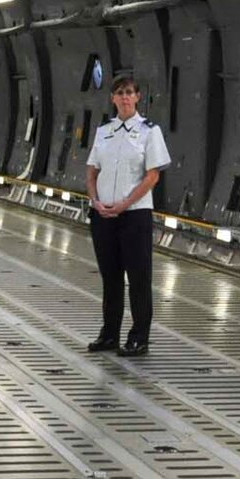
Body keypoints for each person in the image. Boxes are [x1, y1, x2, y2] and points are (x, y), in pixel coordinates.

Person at [84, 75, 170, 357]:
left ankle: (139, 337)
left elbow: (152, 175)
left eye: (129, 93)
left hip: (134, 215)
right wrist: (95, 200)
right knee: (110, 277)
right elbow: (92, 169)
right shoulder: (104, 130)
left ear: (138, 98)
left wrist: (124, 204)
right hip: (104, 215)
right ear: (112, 98)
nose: (124, 97)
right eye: (119, 93)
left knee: (138, 277)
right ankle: (109, 334)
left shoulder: (149, 131)